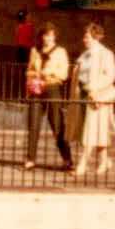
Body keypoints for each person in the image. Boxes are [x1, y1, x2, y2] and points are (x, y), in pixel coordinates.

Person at [21, 24, 74, 173]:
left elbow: (63, 74)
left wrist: (47, 73)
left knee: (57, 125)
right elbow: (29, 71)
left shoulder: (60, 52)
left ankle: (67, 159)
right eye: (45, 35)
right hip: (37, 90)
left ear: (54, 36)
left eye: (50, 35)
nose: (47, 38)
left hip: (52, 88)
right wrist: (34, 76)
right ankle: (30, 159)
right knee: (33, 124)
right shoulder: (34, 51)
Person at [74, 22, 115, 177]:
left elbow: (111, 75)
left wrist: (96, 88)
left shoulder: (106, 54)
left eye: (86, 36)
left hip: (98, 96)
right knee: (99, 131)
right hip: (85, 95)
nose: (83, 39)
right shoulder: (85, 54)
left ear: (94, 36)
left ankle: (83, 163)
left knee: (91, 130)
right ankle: (104, 161)